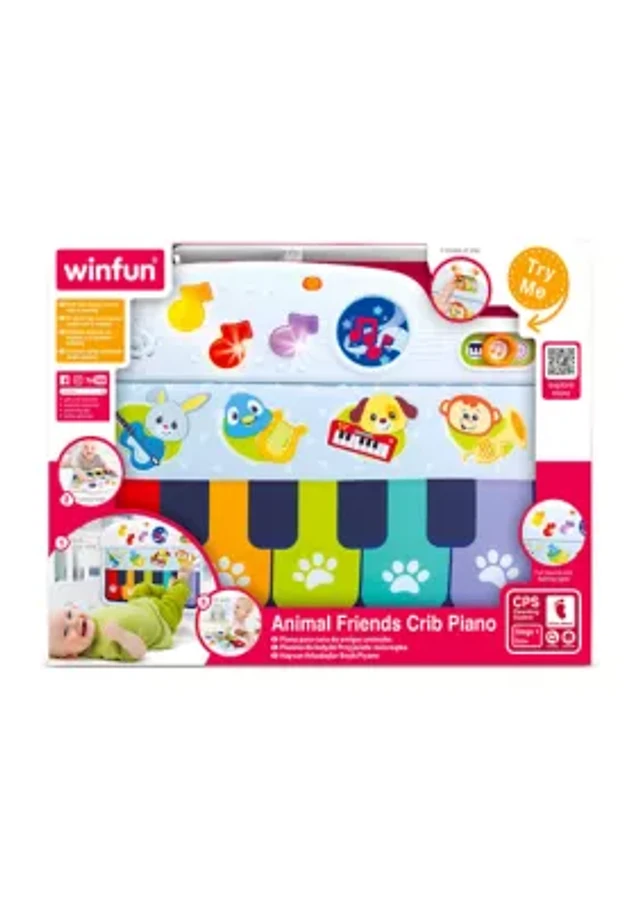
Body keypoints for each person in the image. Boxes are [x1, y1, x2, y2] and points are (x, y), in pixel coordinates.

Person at [49, 571, 191, 662]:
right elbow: (139, 652)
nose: (74, 622)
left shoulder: (91, 617)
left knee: (141, 587)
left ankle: (166, 590)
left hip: (139, 603)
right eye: (66, 632)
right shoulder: (105, 647)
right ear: (70, 656)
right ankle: (181, 581)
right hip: (162, 619)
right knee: (176, 595)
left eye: (69, 615)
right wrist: (121, 635)